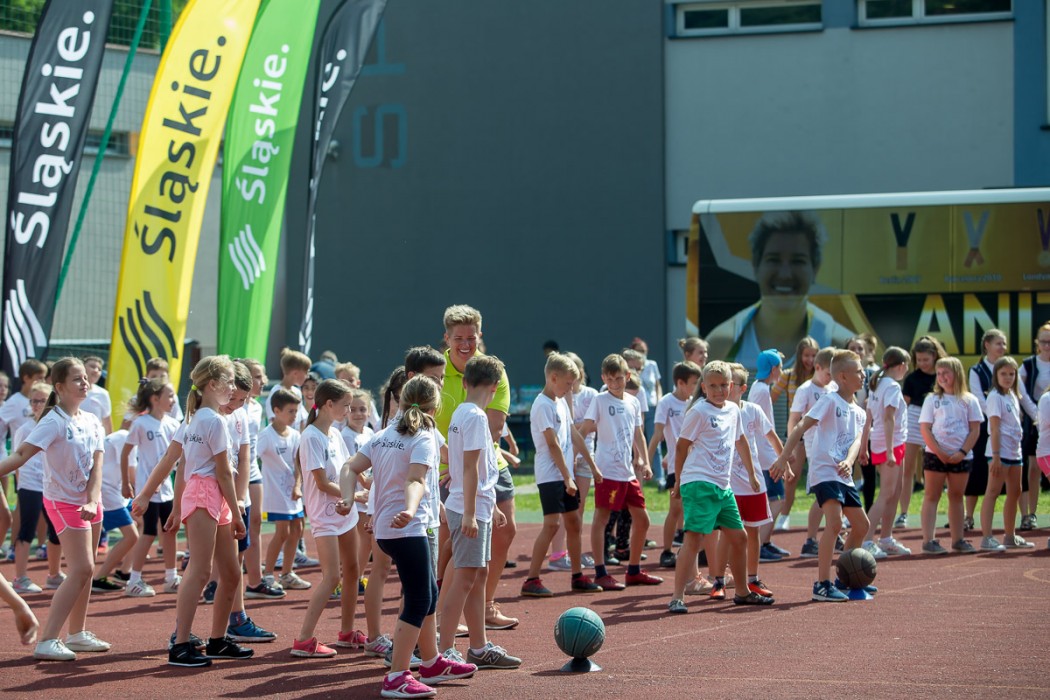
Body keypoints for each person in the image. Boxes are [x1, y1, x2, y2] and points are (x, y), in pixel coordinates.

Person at [346, 376, 478, 698]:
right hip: (407, 527)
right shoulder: (424, 436)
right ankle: (397, 676)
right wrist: (409, 508)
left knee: (428, 594)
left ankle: (431, 662)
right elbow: (416, 480)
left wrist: (348, 499)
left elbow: (350, 467)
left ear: (401, 401)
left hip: (389, 529)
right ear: (436, 406)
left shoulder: (383, 435)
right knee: (419, 599)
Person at [132, 355, 253, 668]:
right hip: (206, 494)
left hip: (212, 495)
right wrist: (238, 514)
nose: (233, 389)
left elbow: (175, 460)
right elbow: (220, 472)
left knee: (230, 573)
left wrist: (153, 497)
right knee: (199, 570)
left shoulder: (199, 417)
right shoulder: (210, 420)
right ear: (212, 384)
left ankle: (217, 640)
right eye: (229, 383)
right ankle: (181, 644)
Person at [0, 358, 111, 661]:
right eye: (77, 379)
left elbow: (98, 464)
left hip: (91, 501)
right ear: (59, 387)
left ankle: (77, 634)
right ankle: (47, 640)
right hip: (63, 502)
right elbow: (20, 454)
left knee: (87, 571)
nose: (84, 383)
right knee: (82, 568)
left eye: (85, 378)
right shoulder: (53, 421)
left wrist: (93, 499)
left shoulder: (91, 420)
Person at [433, 305, 518, 631]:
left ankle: (485, 607)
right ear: (447, 338)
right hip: (448, 465)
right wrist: (447, 460)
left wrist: (459, 463)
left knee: (505, 530)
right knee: (451, 543)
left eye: (471, 337)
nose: (466, 344)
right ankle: (440, 617)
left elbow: (494, 428)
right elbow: (422, 417)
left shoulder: (491, 369)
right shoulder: (436, 369)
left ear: (480, 335)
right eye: (459, 338)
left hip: (485, 462)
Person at [667, 361, 776, 614]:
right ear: (704, 387)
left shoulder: (733, 410)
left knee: (740, 537)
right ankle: (677, 597)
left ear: (732, 385)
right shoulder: (699, 411)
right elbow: (681, 447)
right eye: (713, 386)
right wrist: (679, 481)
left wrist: (752, 473)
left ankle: (742, 592)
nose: (719, 390)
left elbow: (741, 441)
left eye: (724, 385)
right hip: (699, 482)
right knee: (694, 538)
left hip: (723, 486)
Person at [440, 355, 523, 668]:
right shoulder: (475, 417)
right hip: (468, 508)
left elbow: (481, 466)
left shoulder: (463, 412)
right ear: (496, 386)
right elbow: (470, 468)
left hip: (477, 506)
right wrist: (471, 513)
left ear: (464, 382)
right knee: (464, 580)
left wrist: (490, 507)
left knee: (479, 575)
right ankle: (445, 651)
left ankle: (479, 646)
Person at [771, 349, 871, 603]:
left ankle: (846, 576)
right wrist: (783, 457)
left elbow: (856, 441)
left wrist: (849, 461)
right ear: (843, 377)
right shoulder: (829, 401)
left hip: (843, 474)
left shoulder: (859, 410)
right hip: (824, 471)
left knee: (862, 526)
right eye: (859, 371)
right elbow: (801, 426)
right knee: (835, 524)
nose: (863, 375)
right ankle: (822, 584)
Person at [704, 211, 855, 368]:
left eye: (798, 261)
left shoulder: (839, 344)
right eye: (773, 260)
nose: (785, 274)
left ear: (815, 268)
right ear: (756, 265)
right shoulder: (721, 343)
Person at [520, 353, 602, 599]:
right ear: (553, 377)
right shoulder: (542, 405)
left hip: (565, 474)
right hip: (550, 475)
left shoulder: (561, 402)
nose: (570, 388)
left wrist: (592, 466)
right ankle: (531, 579)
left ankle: (577, 576)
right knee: (552, 524)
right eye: (568, 383)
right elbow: (552, 444)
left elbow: (574, 435)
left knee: (574, 522)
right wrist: (567, 477)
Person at [291, 379, 363, 657]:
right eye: (346, 405)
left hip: (345, 511)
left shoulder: (334, 433)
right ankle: (303, 640)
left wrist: (363, 483)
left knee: (353, 571)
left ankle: (346, 632)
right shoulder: (311, 436)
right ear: (329, 404)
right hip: (325, 515)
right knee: (332, 576)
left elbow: (347, 468)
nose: (349, 411)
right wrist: (353, 495)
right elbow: (321, 483)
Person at [579, 353, 661, 591]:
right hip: (607, 472)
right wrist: (584, 461)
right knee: (602, 520)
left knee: (642, 520)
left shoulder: (633, 402)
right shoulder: (600, 400)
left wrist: (645, 461)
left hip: (628, 473)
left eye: (619, 378)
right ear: (604, 378)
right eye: (610, 379)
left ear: (628, 376)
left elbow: (638, 434)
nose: (615, 383)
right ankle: (600, 572)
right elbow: (583, 431)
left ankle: (633, 571)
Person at [712, 363, 783, 601]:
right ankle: (719, 580)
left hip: (753, 484)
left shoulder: (752, 410)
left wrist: (783, 460)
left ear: (741, 388)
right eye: (723, 383)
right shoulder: (718, 411)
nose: (724, 388)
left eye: (729, 384)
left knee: (753, 532)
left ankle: (752, 579)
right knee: (727, 533)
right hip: (728, 484)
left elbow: (771, 435)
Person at [122, 378, 181, 597]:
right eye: (170, 396)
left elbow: (176, 458)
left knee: (170, 531)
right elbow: (125, 453)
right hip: (147, 490)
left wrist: (166, 479)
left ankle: (171, 578)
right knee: (148, 532)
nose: (173, 400)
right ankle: (133, 581)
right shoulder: (141, 423)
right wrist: (125, 482)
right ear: (155, 399)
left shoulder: (173, 424)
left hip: (166, 489)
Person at [918, 357, 982, 554]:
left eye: (946, 372)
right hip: (935, 455)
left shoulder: (969, 400)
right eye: (939, 373)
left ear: (957, 374)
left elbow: (975, 429)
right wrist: (939, 452)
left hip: (961, 457)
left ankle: (958, 540)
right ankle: (928, 541)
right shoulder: (932, 399)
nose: (942, 377)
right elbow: (925, 428)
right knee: (932, 495)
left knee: (956, 496)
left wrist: (961, 452)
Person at [9, 382, 62, 594]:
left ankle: (54, 575)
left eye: (42, 400)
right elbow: (17, 459)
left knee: (57, 531)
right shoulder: (25, 429)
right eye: (33, 401)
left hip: (52, 486)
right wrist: (22, 486)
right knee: (27, 531)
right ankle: (20, 578)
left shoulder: (56, 424)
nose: (37, 405)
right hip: (30, 486)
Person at [649, 361, 702, 568]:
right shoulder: (666, 402)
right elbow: (658, 434)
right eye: (694, 383)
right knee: (676, 508)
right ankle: (666, 551)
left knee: (696, 508)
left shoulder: (696, 403)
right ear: (680, 383)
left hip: (697, 466)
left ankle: (697, 551)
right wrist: (647, 460)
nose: (697, 387)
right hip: (676, 465)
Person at [978, 357, 1034, 551]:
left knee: (1015, 492)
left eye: (1012, 374)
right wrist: (995, 456)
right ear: (996, 375)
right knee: (993, 492)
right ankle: (987, 538)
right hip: (999, 453)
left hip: (1014, 452)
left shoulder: (1012, 395)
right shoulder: (995, 397)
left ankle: (1010, 536)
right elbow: (994, 428)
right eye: (1003, 373)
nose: (1008, 377)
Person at [860, 347, 911, 559]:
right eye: (907, 366)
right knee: (886, 494)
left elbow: (868, 418)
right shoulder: (891, 386)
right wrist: (890, 451)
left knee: (895, 492)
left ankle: (886, 538)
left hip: (889, 442)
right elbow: (888, 418)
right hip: (890, 444)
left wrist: (864, 446)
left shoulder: (878, 384)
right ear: (901, 366)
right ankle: (866, 540)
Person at [790, 347, 838, 559]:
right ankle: (810, 540)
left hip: (835, 448)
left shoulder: (834, 387)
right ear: (817, 367)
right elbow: (794, 419)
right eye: (828, 373)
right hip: (815, 448)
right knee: (822, 495)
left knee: (835, 493)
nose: (831, 378)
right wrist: (791, 447)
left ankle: (835, 533)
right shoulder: (805, 390)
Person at [258, 388, 308, 591]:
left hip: (293, 492)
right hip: (276, 493)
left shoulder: (295, 435)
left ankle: (287, 574)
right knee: (282, 532)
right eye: (290, 411)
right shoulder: (265, 436)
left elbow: (298, 463)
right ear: (276, 411)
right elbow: (252, 459)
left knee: (298, 529)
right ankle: (268, 575)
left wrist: (297, 485)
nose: (294, 416)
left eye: (296, 411)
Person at [770, 336, 818, 530]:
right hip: (796, 431)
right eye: (807, 355)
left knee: (823, 476)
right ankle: (784, 516)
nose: (810, 360)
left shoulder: (821, 376)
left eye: (814, 355)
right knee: (792, 476)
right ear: (799, 355)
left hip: (818, 431)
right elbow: (769, 399)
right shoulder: (788, 375)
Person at [898, 336, 945, 528]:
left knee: (936, 469)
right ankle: (903, 513)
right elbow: (905, 403)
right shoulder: (911, 378)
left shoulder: (942, 375)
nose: (923, 363)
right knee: (907, 468)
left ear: (934, 356)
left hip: (937, 418)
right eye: (919, 360)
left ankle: (937, 511)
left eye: (926, 359)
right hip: (914, 418)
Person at [965, 329, 1008, 531]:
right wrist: (993, 417)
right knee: (976, 472)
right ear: (987, 345)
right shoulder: (976, 370)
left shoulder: (1008, 368)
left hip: (1005, 428)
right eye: (998, 343)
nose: (1002, 347)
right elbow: (978, 398)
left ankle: (1023, 516)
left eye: (1004, 344)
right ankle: (968, 517)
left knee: (1011, 474)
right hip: (983, 427)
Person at [749, 349, 790, 560]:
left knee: (773, 499)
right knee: (777, 500)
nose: (781, 371)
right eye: (780, 367)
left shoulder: (759, 387)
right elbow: (765, 427)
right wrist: (779, 454)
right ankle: (760, 545)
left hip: (764, 453)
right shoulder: (763, 391)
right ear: (773, 369)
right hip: (765, 455)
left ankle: (764, 542)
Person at [91, 429, 139, 592]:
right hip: (108, 492)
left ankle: (124, 571)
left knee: (143, 522)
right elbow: (132, 475)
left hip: (116, 491)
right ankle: (99, 578)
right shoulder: (125, 437)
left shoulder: (123, 436)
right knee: (132, 536)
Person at [1018, 322, 1050, 530]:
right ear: (1037, 343)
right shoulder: (1028, 364)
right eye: (1044, 342)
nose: (1047, 346)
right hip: (1034, 420)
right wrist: (1037, 415)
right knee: (1033, 467)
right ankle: (1030, 514)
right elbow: (1020, 392)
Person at [265, 347, 311, 426]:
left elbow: (302, 421)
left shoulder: (297, 392)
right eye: (306, 372)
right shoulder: (276, 392)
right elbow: (274, 421)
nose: (307, 376)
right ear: (295, 373)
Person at [80, 356, 113, 435]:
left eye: (99, 369)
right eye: (92, 366)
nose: (96, 370)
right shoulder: (69, 389)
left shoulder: (103, 394)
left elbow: (107, 421)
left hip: (94, 437)